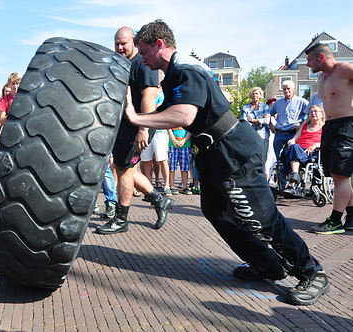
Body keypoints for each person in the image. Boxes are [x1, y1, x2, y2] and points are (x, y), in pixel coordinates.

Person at [124, 19, 328, 306]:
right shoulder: (172, 73)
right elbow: (168, 109)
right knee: (216, 211)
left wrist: (137, 119)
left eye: (143, 51)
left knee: (261, 218)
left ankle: (311, 272)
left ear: (160, 44)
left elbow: (183, 115)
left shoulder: (186, 69)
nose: (141, 58)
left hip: (235, 152)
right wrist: (138, 126)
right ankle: (268, 264)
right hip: (214, 155)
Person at [95, 26, 175, 235]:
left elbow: (149, 96)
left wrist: (143, 129)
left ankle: (121, 219)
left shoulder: (142, 63)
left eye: (124, 43)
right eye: (116, 44)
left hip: (136, 128)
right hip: (125, 127)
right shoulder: (125, 64)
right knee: (126, 169)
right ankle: (159, 200)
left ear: (133, 42)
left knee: (124, 171)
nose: (120, 47)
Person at [305, 43, 353, 234]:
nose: (308, 64)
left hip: (348, 126)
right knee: (337, 175)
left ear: (321, 57)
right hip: (330, 127)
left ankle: (334, 221)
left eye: (309, 60)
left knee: (341, 176)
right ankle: (351, 217)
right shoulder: (323, 79)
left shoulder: (346, 69)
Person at [280, 105, 325, 196]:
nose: (313, 113)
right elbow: (294, 139)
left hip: (313, 152)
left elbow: (327, 142)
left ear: (322, 114)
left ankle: (291, 184)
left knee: (292, 153)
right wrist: (291, 142)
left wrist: (316, 145)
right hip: (299, 150)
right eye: (311, 112)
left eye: (315, 111)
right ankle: (295, 176)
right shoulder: (304, 126)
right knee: (293, 147)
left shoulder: (325, 127)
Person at [270, 81, 308, 160]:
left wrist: (302, 126)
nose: (286, 91)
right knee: (279, 158)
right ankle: (279, 171)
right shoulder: (278, 103)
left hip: (293, 133)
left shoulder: (302, 102)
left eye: (288, 89)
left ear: (294, 89)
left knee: (291, 157)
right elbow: (268, 114)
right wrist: (271, 125)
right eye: (284, 89)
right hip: (279, 133)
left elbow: (310, 114)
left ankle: (291, 171)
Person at [241, 87, 270, 167]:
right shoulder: (245, 107)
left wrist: (252, 120)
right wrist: (260, 121)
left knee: (262, 160)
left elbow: (267, 121)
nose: (254, 95)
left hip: (263, 136)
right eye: (253, 94)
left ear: (260, 95)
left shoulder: (265, 107)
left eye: (256, 93)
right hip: (251, 137)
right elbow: (244, 122)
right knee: (250, 161)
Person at [167, 128, 192, 194]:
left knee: (185, 167)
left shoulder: (187, 118)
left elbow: (190, 130)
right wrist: (174, 141)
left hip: (185, 145)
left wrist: (184, 140)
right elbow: (169, 129)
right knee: (172, 166)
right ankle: (172, 186)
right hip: (173, 145)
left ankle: (185, 187)